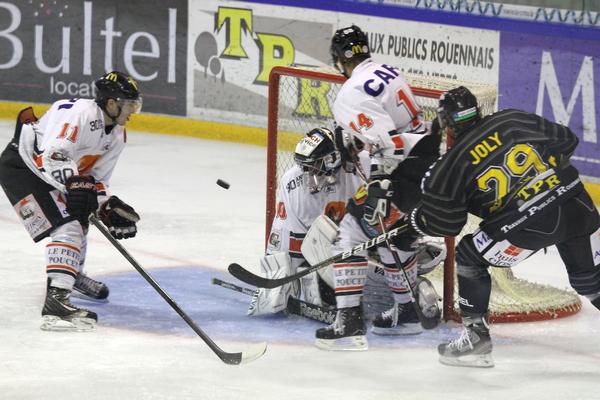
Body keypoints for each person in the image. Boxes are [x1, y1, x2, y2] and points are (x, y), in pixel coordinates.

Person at [409, 86, 600, 367]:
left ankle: (476, 336)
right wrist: (544, 182)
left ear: (446, 122)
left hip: (529, 226)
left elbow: (449, 225)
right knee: (591, 283)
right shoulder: (510, 119)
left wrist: (420, 219)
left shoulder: (448, 167)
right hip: (576, 204)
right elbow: (566, 139)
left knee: (469, 256)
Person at [314, 25, 442, 350]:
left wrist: (381, 188)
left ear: (338, 59)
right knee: (394, 241)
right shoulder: (387, 71)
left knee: (349, 233)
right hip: (429, 167)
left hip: (403, 174)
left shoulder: (349, 94)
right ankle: (407, 313)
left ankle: (349, 323)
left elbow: (388, 145)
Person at [247, 127, 444, 320]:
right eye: (306, 167)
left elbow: (405, 194)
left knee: (424, 254)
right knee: (323, 236)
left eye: (315, 167)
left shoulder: (365, 166)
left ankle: (411, 288)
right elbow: (283, 238)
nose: (309, 175)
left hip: (374, 242)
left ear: (332, 159)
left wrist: (408, 227)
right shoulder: (293, 184)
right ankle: (408, 291)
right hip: (336, 255)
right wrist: (275, 283)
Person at [0, 71, 143, 332]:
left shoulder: (118, 135)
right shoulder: (80, 114)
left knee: (82, 213)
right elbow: (52, 157)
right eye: (129, 103)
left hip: (48, 172)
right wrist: (78, 185)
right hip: (22, 167)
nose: (133, 109)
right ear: (111, 103)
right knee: (67, 226)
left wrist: (105, 205)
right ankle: (56, 302)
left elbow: (97, 180)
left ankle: (70, 275)